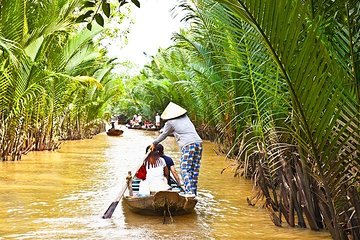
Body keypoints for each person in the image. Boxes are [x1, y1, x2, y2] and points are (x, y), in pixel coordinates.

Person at [150, 102, 202, 196]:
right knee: (194, 170)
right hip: (198, 143)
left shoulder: (170, 122)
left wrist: (154, 143)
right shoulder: (186, 118)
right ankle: (193, 193)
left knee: (184, 169)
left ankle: (189, 193)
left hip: (188, 145)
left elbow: (164, 134)